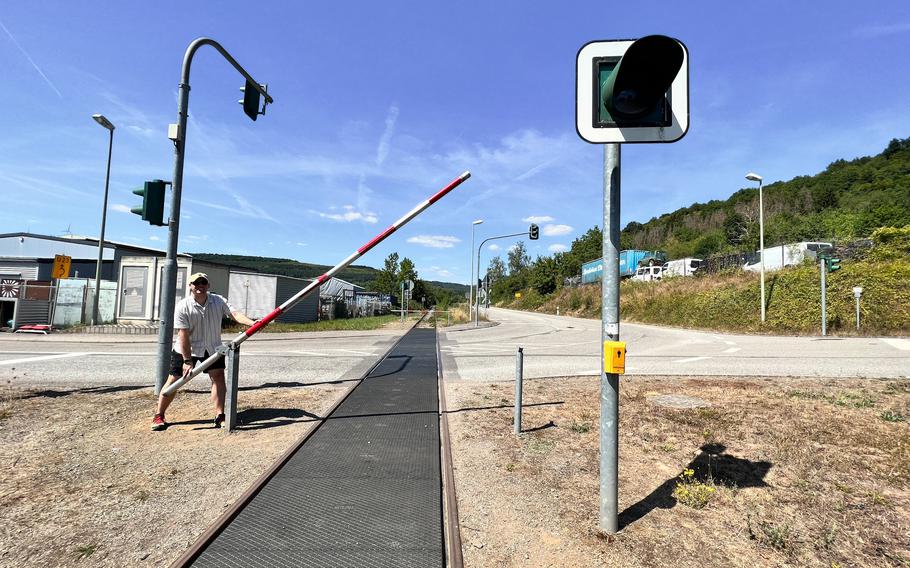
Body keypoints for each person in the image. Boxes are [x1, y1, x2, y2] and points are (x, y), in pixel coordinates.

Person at [151, 272, 256, 431]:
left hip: (212, 347)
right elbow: (183, 334)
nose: (200, 286)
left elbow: (234, 314)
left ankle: (220, 415)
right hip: (186, 349)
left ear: (208, 286)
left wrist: (253, 323)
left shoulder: (218, 301)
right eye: (196, 283)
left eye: (203, 283)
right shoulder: (183, 306)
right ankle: (159, 415)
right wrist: (187, 361)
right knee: (175, 379)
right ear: (190, 286)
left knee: (218, 377)